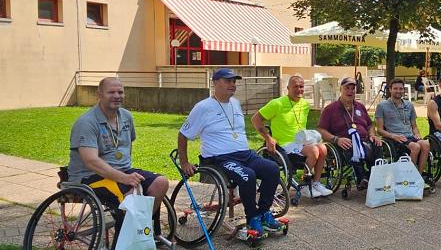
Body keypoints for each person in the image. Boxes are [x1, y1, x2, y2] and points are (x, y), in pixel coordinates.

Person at [177, 68, 284, 237]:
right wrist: (184, 162)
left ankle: (264, 213)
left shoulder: (235, 103)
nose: (232, 84)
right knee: (247, 175)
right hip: (219, 158)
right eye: (228, 81)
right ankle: (252, 217)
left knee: (272, 169)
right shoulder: (203, 107)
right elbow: (183, 134)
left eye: (234, 81)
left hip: (244, 154)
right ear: (215, 82)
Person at [68, 77, 169, 232]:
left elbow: (127, 145)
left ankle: (140, 230)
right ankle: (122, 249)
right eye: (111, 92)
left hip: (122, 172)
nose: (117, 96)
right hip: (90, 176)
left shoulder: (126, 116)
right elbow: (91, 161)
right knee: (129, 196)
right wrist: (124, 178)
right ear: (99, 95)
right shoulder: (86, 122)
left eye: (120, 92)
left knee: (160, 183)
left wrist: (126, 173)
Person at [253, 75, 332, 198]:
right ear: (288, 88)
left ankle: (316, 183)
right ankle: (306, 184)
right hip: (285, 144)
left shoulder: (305, 105)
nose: (298, 89)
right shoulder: (277, 104)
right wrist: (268, 138)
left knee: (323, 148)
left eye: (301, 86)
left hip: (301, 141)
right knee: (314, 151)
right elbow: (255, 119)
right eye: (295, 86)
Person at [317, 77, 382, 190]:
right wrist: (336, 139)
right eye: (347, 88)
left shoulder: (360, 106)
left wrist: (373, 135)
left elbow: (370, 125)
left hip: (365, 140)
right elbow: (321, 129)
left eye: (353, 88)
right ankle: (362, 178)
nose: (350, 91)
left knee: (377, 145)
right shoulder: (330, 109)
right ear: (340, 89)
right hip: (344, 142)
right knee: (350, 146)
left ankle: (375, 177)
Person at [375, 78, 431, 189]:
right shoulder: (382, 106)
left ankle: (418, 176)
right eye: (395, 88)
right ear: (390, 90)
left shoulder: (409, 105)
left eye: (401, 89)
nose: (398, 91)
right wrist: (393, 136)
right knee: (415, 147)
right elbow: (379, 130)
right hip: (394, 137)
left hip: (409, 136)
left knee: (426, 144)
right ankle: (409, 177)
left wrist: (417, 134)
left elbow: (414, 126)